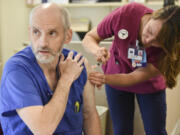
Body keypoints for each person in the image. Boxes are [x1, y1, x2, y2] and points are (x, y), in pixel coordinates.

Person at [0, 3, 102, 135]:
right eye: (36, 32)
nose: (43, 43)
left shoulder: (79, 64)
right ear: (29, 33)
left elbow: (89, 115)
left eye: (52, 33)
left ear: (68, 36)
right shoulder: (17, 70)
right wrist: (66, 78)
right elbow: (43, 130)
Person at [82, 2, 180, 135]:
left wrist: (104, 78)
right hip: (115, 75)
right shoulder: (127, 14)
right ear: (155, 14)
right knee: (121, 130)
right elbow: (89, 37)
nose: (147, 40)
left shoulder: (166, 53)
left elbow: (133, 77)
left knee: (156, 131)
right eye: (150, 31)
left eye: (156, 42)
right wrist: (97, 50)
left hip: (148, 85)